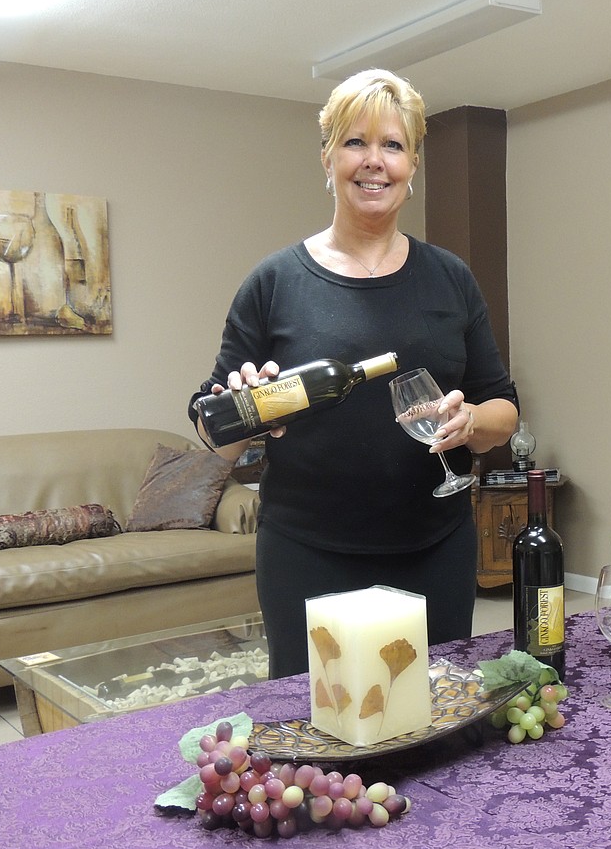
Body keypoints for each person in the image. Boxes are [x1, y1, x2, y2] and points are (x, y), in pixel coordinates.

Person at [189, 69, 520, 678]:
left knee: (432, 720)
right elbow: (215, 433)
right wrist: (246, 409)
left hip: (436, 548)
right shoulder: (274, 283)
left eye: (393, 145)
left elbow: (504, 408)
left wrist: (472, 420)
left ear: (414, 163)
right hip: (307, 554)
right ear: (327, 158)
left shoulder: (451, 279)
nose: (375, 162)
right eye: (355, 143)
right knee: (318, 736)